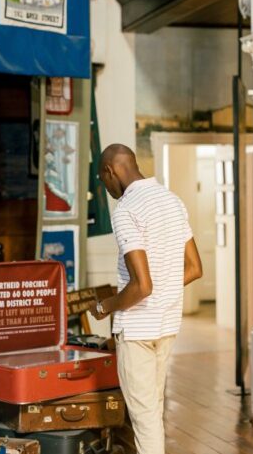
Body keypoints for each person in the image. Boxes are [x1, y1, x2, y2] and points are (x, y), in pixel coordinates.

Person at [91, 144, 202, 454]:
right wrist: (165, 285)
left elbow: (142, 286)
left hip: (138, 331)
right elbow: (194, 268)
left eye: (103, 180)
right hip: (167, 325)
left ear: (110, 171)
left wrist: (104, 307)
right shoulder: (172, 200)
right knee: (153, 409)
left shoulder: (126, 209)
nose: (106, 187)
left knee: (145, 418)